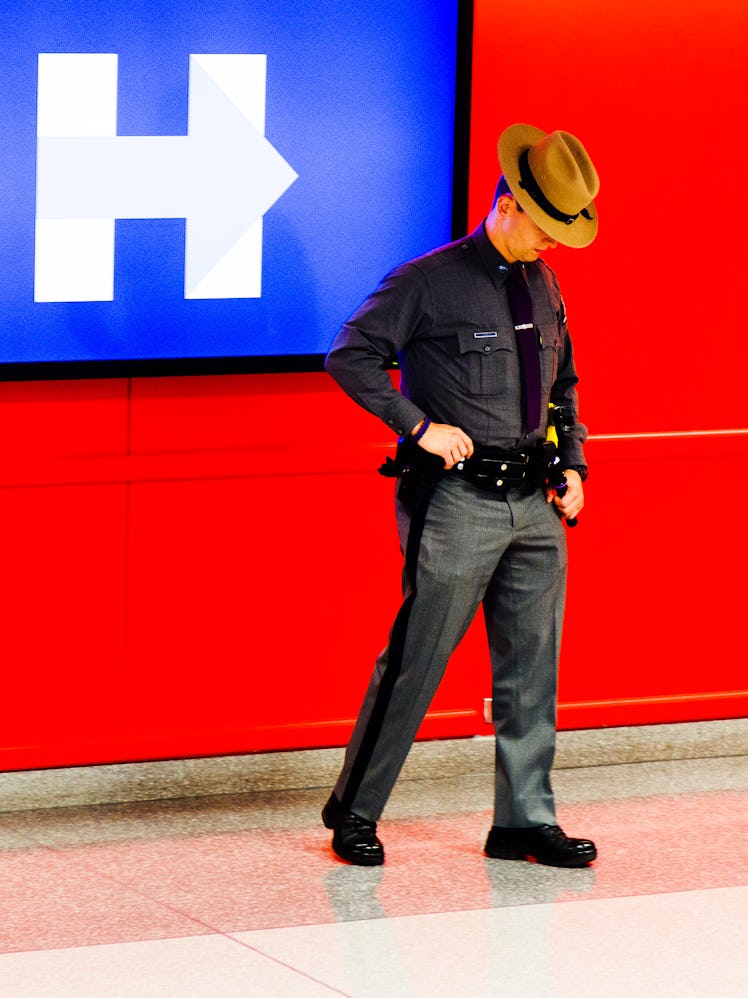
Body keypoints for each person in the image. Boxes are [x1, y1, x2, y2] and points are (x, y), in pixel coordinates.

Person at [322, 123, 600, 868]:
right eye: (546, 228)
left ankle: (522, 821)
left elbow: (562, 384)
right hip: (456, 504)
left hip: (535, 504)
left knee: (531, 669)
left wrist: (571, 464)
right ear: (507, 202)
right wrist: (417, 427)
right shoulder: (427, 281)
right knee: (418, 659)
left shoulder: (543, 281)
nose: (552, 244)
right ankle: (355, 809)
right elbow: (350, 355)